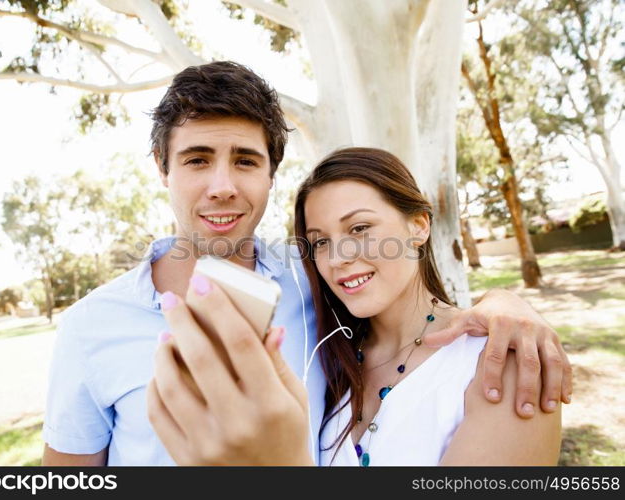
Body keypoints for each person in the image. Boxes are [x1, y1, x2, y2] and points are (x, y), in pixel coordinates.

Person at [42, 61, 571, 466]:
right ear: (163, 168)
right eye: (197, 159)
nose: (222, 186)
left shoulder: (309, 284)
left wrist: (508, 305)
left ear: (271, 173)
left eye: (246, 161)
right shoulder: (91, 327)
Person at [292, 147, 561, 465]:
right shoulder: (329, 360)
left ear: (419, 226)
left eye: (359, 228)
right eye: (321, 242)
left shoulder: (499, 360)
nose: (337, 259)